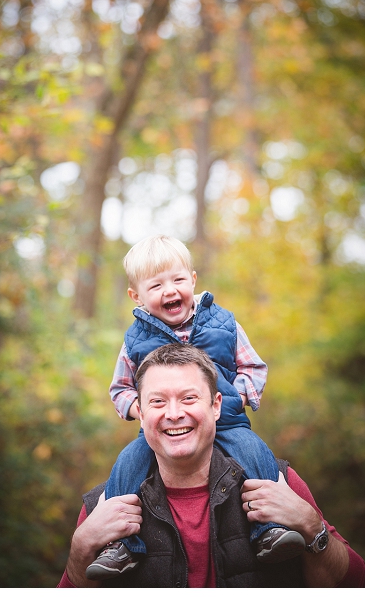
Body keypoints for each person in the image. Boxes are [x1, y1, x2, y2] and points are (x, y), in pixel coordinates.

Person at [58, 344, 365, 587]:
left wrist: (311, 526)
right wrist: (80, 550)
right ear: (139, 412)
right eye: (158, 402)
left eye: (189, 398)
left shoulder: (277, 482)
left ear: (216, 406)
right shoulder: (105, 505)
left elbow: (356, 584)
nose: (174, 413)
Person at [87, 235, 302, 580]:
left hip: (228, 422)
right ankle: (122, 545)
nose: (169, 290)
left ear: (193, 280)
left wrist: (236, 398)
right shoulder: (135, 340)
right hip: (162, 431)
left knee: (256, 452)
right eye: (155, 285)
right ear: (136, 296)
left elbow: (253, 367)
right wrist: (141, 412)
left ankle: (270, 530)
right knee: (127, 463)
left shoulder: (222, 324)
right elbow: (120, 389)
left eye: (178, 280)